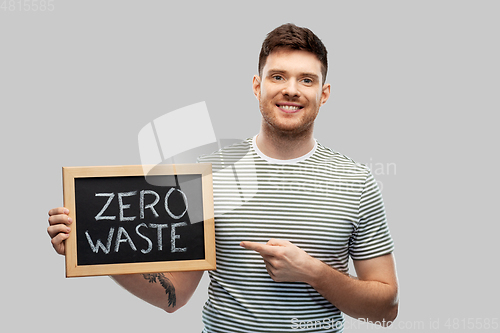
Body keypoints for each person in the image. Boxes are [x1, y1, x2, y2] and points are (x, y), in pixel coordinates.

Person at [48, 23, 399, 332]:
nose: (291, 90)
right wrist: (96, 248)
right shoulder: (208, 175)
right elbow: (175, 296)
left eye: (306, 79)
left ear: (323, 93)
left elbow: (385, 310)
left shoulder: (356, 181)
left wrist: (313, 272)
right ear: (257, 85)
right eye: (278, 76)